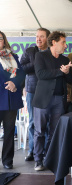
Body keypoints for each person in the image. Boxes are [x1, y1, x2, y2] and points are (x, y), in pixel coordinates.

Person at [32, 31, 72, 171]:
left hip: (59, 100)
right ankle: (38, 160)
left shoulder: (65, 60)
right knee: (39, 131)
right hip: (43, 99)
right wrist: (60, 72)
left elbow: (71, 80)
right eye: (63, 42)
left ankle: (50, 159)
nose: (65, 45)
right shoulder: (40, 55)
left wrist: (67, 73)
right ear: (54, 42)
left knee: (54, 132)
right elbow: (41, 74)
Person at [20, 28, 50, 161]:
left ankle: (47, 151)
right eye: (37, 36)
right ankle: (33, 150)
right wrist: (37, 61)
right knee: (32, 122)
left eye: (42, 36)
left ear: (48, 39)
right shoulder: (30, 51)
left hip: (48, 90)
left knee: (47, 122)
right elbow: (22, 68)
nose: (38, 39)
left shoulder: (52, 52)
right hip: (32, 89)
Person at [0, 31, 25, 169]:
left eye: (0, 38)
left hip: (11, 99)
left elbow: (21, 73)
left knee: (9, 131)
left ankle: (7, 161)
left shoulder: (13, 56)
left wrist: (14, 83)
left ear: (4, 40)